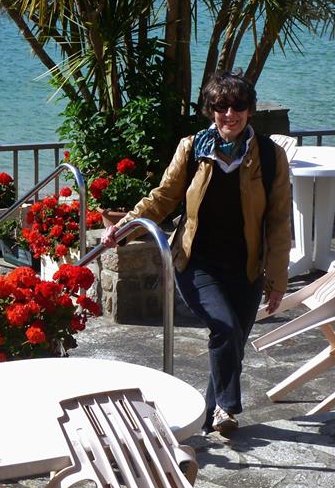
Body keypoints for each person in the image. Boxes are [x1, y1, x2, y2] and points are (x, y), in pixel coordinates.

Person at [101, 71, 291, 434]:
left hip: (246, 267)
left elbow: (280, 222)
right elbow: (162, 198)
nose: (229, 114)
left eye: (237, 106)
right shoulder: (192, 149)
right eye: (221, 107)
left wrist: (277, 280)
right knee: (224, 326)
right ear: (211, 111)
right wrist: (123, 230)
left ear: (249, 110)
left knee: (231, 341)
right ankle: (228, 407)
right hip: (197, 262)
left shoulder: (269, 156)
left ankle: (208, 421)